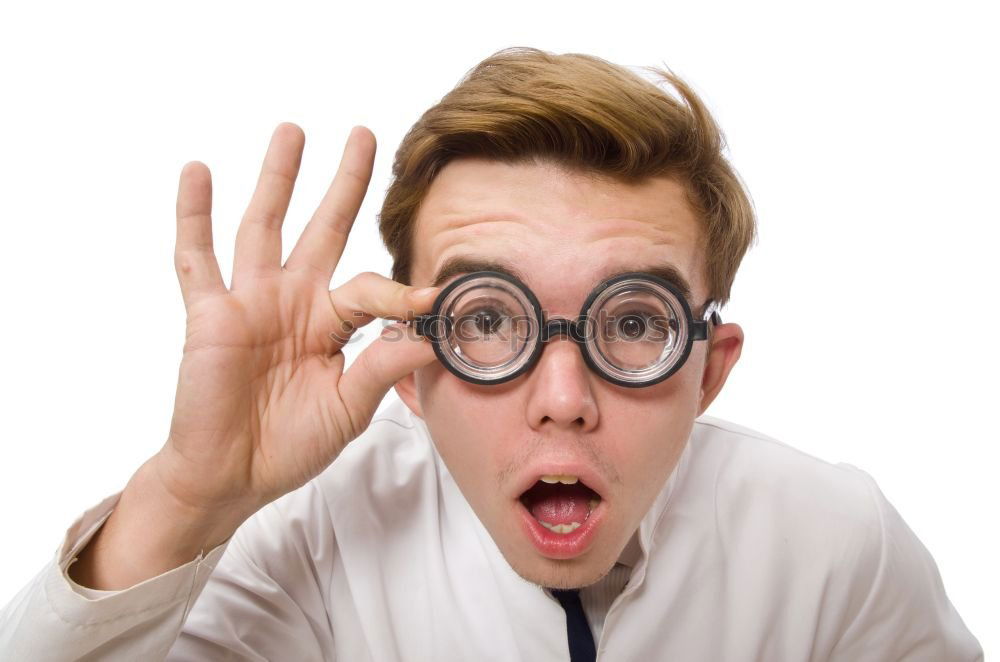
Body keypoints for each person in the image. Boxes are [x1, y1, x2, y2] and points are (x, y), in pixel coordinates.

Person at [0, 47, 983, 661]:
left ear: (707, 368)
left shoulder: (832, 543)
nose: (561, 398)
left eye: (633, 323)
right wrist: (183, 498)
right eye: (487, 319)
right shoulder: (308, 537)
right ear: (414, 368)